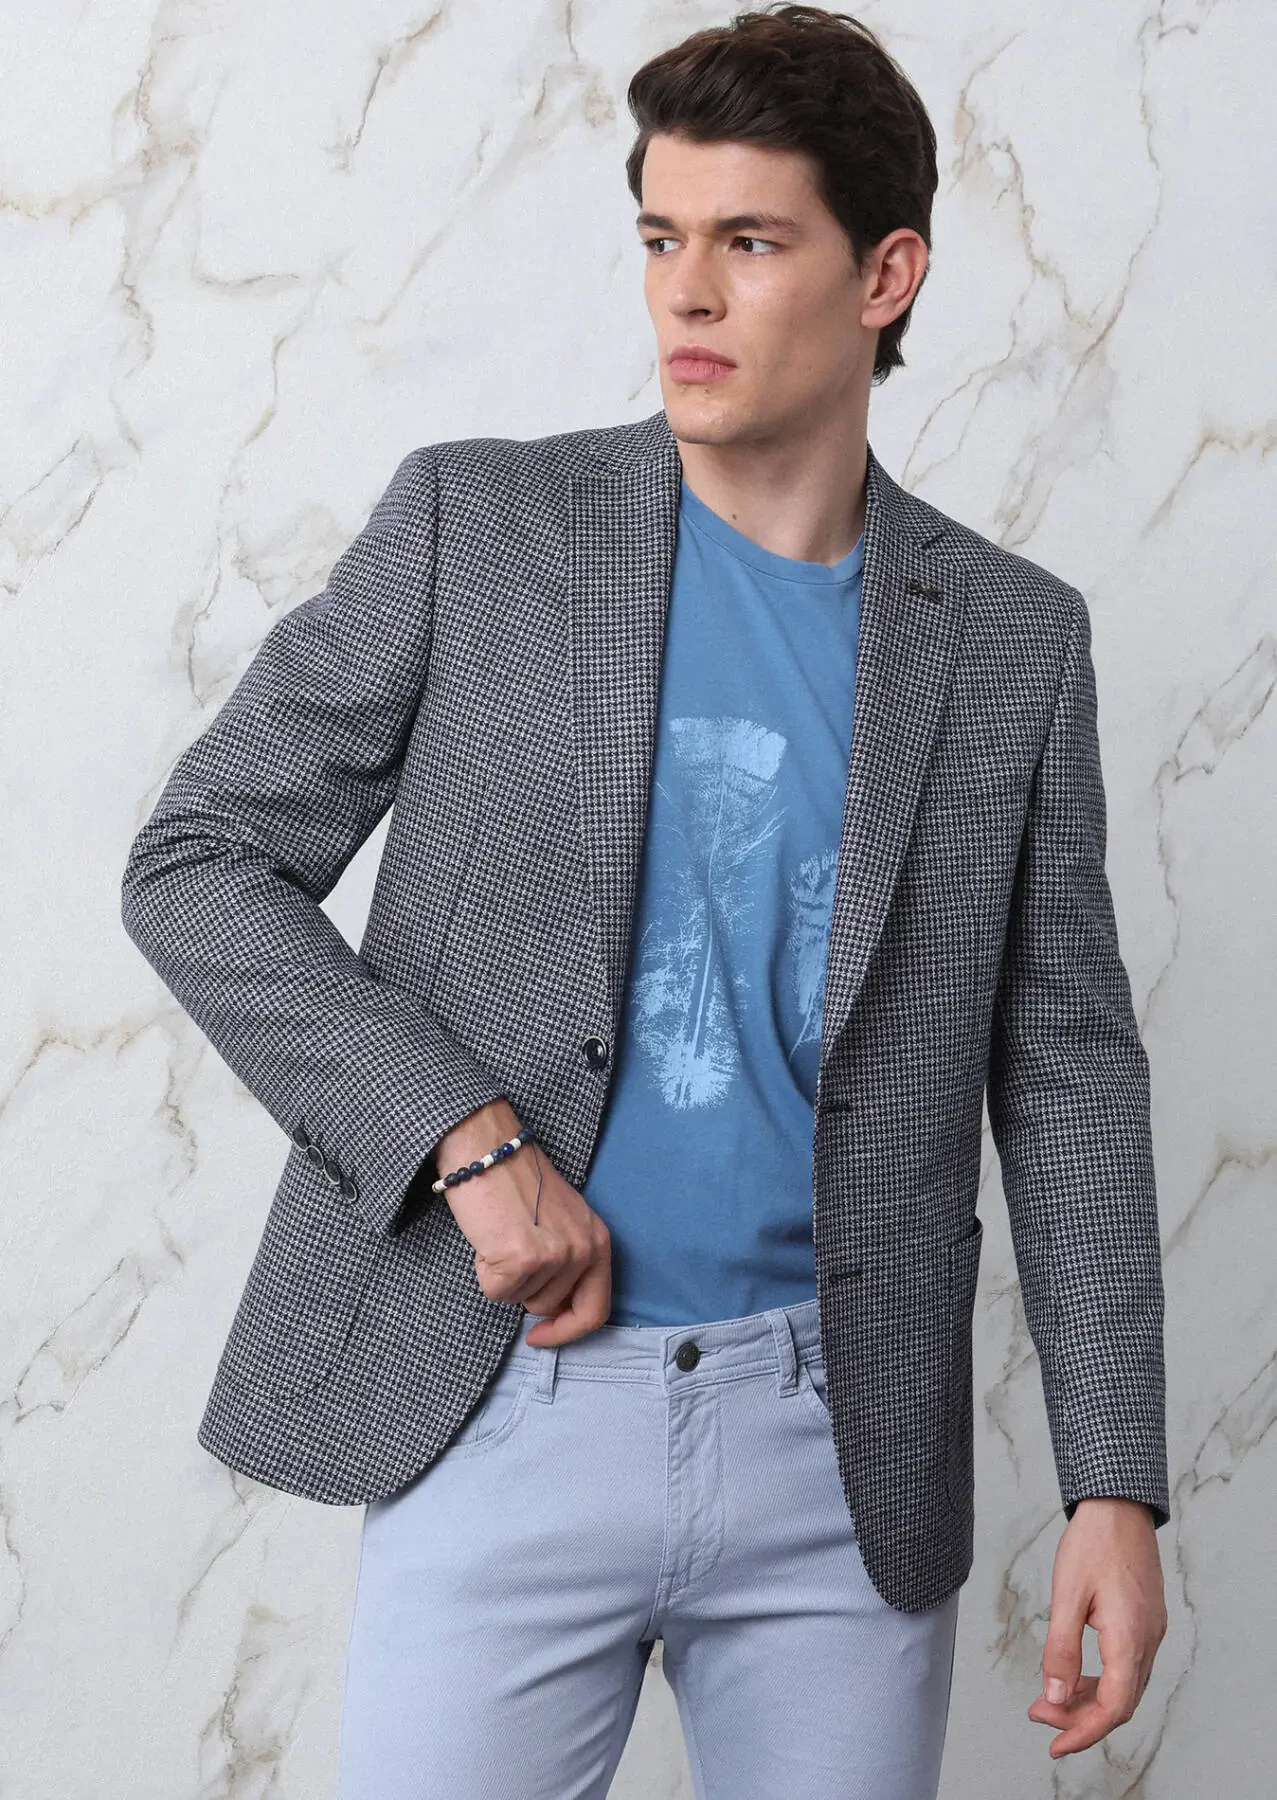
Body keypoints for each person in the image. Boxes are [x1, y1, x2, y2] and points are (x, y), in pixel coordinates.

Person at [120, 7, 1170, 1796]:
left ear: (885, 275)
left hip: (842, 1453)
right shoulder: (481, 530)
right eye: (661, 236)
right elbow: (202, 858)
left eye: (749, 241)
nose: (686, 291)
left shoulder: (1009, 640)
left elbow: (1066, 1071)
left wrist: (1115, 1483)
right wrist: (462, 1138)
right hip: (497, 1402)